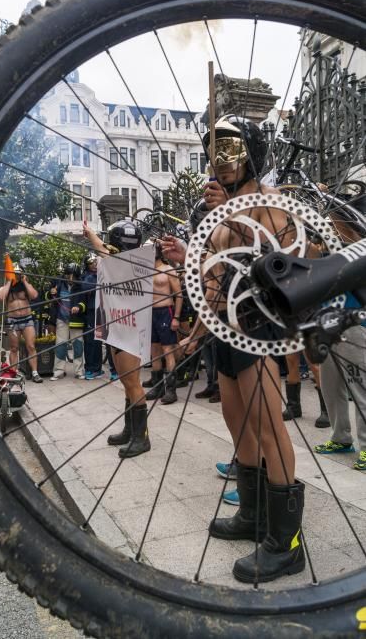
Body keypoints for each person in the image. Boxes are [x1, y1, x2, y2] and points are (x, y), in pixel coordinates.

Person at [163, 115, 304, 584]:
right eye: (214, 151)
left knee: (267, 425)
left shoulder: (268, 201)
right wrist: (189, 265)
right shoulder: (219, 215)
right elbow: (211, 280)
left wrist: (241, 222)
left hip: (257, 325)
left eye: (231, 149)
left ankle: (286, 542)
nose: (220, 161)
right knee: (234, 417)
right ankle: (252, 515)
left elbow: (281, 252)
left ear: (252, 153)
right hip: (224, 329)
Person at [83, 219, 150, 458]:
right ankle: (129, 430)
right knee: (126, 383)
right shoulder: (127, 260)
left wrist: (90, 234)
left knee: (133, 383)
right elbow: (103, 250)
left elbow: (102, 250)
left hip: (129, 330)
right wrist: (91, 234)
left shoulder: (130, 264)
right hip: (118, 327)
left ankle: (142, 438)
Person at [314, 293, 366, 471]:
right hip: (325, 321)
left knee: (360, 390)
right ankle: (340, 438)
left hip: (353, 322)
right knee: (331, 387)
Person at [143, 243, 182, 405]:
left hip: (166, 312)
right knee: (155, 351)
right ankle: (158, 386)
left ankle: (171, 390)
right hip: (151, 313)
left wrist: (176, 317)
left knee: (168, 350)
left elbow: (179, 295)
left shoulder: (168, 270)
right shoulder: (145, 271)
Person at [0, 264, 43, 383]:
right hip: (13, 321)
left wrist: (25, 281)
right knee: (14, 348)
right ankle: (13, 374)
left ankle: (35, 372)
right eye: (15, 273)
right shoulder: (5, 287)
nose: (17, 275)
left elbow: (34, 295)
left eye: (19, 273)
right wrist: (9, 282)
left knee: (31, 346)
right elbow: (1, 297)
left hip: (27, 320)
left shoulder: (26, 286)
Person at [49, 262, 86, 380]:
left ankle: (79, 371)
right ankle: (59, 371)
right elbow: (48, 298)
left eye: (73, 275)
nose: (70, 278)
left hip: (76, 321)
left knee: (78, 345)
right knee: (60, 345)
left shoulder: (81, 286)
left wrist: (79, 307)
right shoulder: (59, 285)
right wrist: (51, 293)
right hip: (62, 319)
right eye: (68, 275)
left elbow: (84, 302)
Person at [81, 253, 105, 380]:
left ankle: (97, 368)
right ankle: (90, 368)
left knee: (98, 341)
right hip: (90, 312)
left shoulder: (102, 274)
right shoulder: (87, 276)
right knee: (90, 341)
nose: (95, 265)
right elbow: (86, 287)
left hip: (101, 310)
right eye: (92, 263)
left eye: (96, 262)